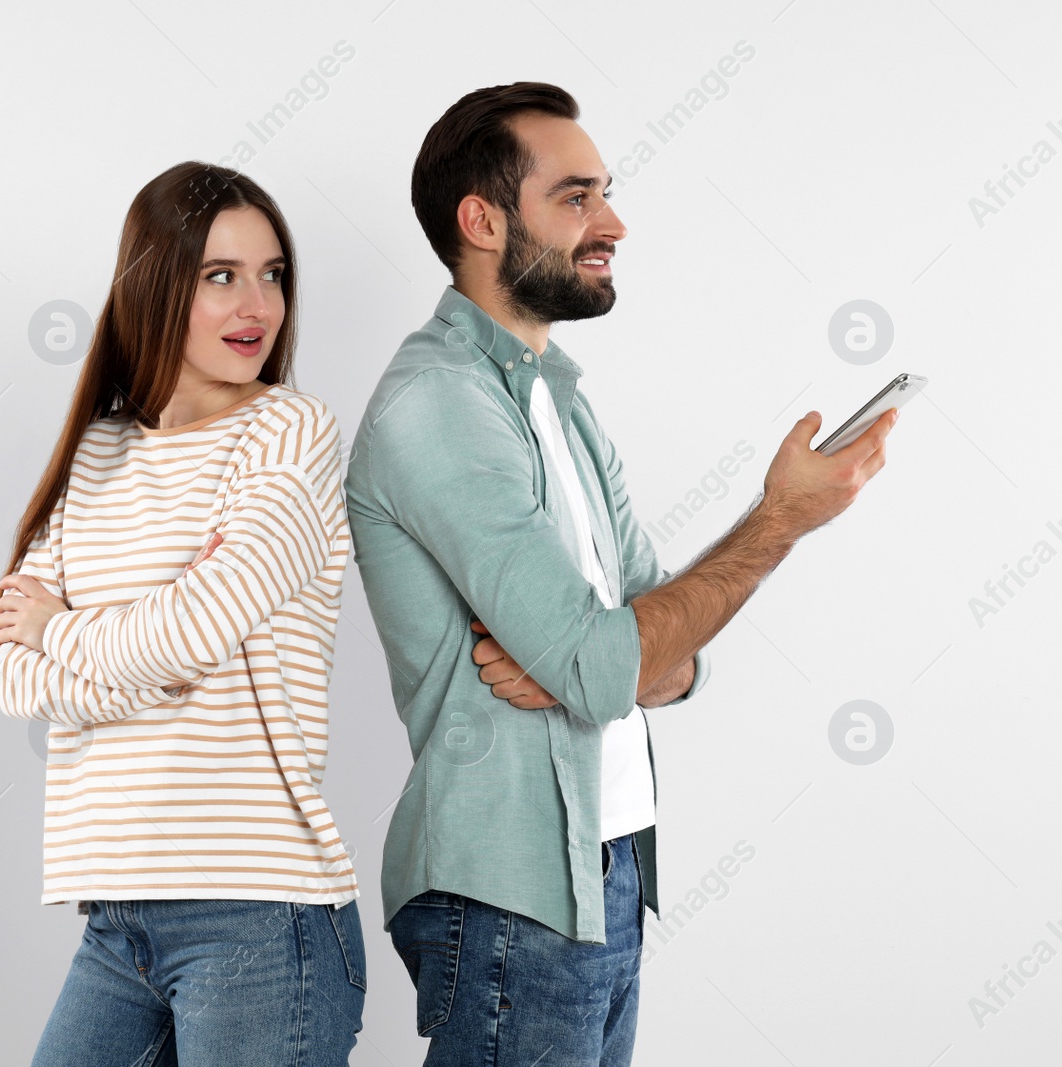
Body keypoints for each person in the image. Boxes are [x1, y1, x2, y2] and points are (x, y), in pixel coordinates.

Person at [343, 82, 898, 1065]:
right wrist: (779, 522)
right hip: (510, 896)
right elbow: (613, 662)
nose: (613, 222)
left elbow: (653, 654)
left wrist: (627, 662)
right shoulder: (439, 403)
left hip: (603, 875)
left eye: (605, 192)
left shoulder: (558, 400)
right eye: (576, 196)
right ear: (482, 220)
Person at [0, 160, 365, 1067]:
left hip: (258, 910)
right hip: (117, 919)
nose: (257, 305)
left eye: (273, 274)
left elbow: (188, 629)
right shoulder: (96, 451)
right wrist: (160, 659)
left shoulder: (290, 432)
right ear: (155, 284)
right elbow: (11, 673)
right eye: (220, 276)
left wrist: (64, 628)